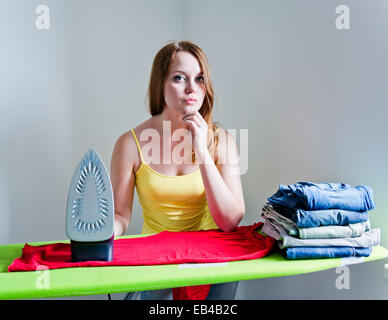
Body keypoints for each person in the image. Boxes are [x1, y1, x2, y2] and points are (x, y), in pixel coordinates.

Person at [110, 40, 245, 300]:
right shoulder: (129, 144)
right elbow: (120, 214)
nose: (192, 89)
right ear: (160, 84)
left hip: (213, 264)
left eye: (200, 78)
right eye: (180, 78)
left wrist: (203, 151)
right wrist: (102, 234)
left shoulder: (223, 141)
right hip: (156, 264)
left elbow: (230, 221)